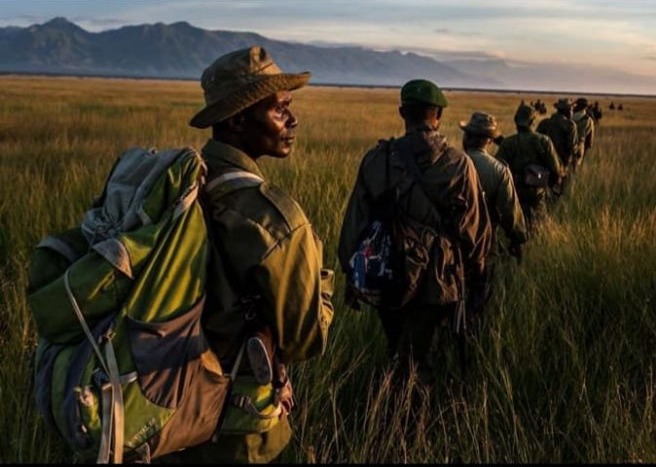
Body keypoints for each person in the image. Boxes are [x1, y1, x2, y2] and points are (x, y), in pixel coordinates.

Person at [160, 46, 335, 464]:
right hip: (237, 430)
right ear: (238, 119)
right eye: (279, 109)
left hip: (162, 415)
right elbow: (305, 339)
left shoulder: (172, 186)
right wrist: (320, 281)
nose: (292, 120)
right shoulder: (273, 219)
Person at [337, 79, 492, 383]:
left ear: (402, 112)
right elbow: (475, 229)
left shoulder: (376, 159)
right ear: (438, 117)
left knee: (397, 344)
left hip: (386, 272)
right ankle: (409, 419)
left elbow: (356, 222)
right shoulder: (458, 164)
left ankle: (392, 407)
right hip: (437, 276)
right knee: (419, 356)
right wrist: (476, 272)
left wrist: (351, 272)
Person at [458, 111, 527, 309]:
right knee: (480, 292)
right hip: (485, 243)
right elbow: (510, 214)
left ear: (467, 136)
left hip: (450, 242)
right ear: (489, 141)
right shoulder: (499, 170)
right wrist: (518, 239)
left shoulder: (450, 164)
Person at [496, 102, 565, 232]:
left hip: (514, 192)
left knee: (514, 227)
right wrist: (545, 184)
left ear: (516, 121)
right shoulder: (544, 141)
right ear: (533, 121)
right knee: (537, 227)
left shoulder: (507, 143)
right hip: (537, 192)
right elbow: (556, 171)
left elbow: (497, 170)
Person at [536, 98, 578, 178]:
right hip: (561, 165)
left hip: (543, 164)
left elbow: (536, 142)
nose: (572, 111)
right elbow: (572, 148)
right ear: (567, 110)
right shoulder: (570, 126)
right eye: (571, 109)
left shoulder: (544, 123)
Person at [572, 97, 595, 168]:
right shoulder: (589, 120)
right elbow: (589, 141)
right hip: (580, 145)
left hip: (566, 145)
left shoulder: (569, 116)